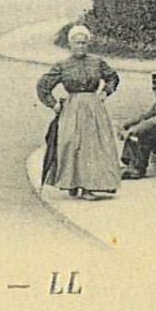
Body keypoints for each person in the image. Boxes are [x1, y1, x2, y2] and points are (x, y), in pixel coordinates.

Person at [37, 25, 121, 200]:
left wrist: (105, 92)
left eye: (84, 43)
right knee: (71, 144)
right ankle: (73, 183)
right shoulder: (63, 65)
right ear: (70, 44)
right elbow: (43, 86)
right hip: (72, 108)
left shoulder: (97, 62)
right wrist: (53, 105)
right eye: (77, 43)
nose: (80, 47)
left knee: (92, 146)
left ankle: (88, 187)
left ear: (88, 44)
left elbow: (112, 77)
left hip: (93, 108)